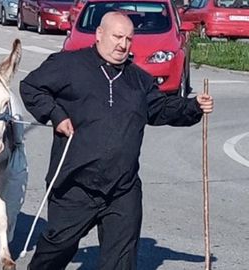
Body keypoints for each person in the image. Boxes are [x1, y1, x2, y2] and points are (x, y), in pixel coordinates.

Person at [19, 11, 214, 270]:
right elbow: (31, 86)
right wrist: (56, 115)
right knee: (58, 247)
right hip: (75, 184)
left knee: (121, 258)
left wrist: (193, 107)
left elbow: (159, 109)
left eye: (129, 39)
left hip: (122, 187)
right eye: (117, 37)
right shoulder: (68, 65)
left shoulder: (138, 80)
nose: (123, 44)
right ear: (100, 35)